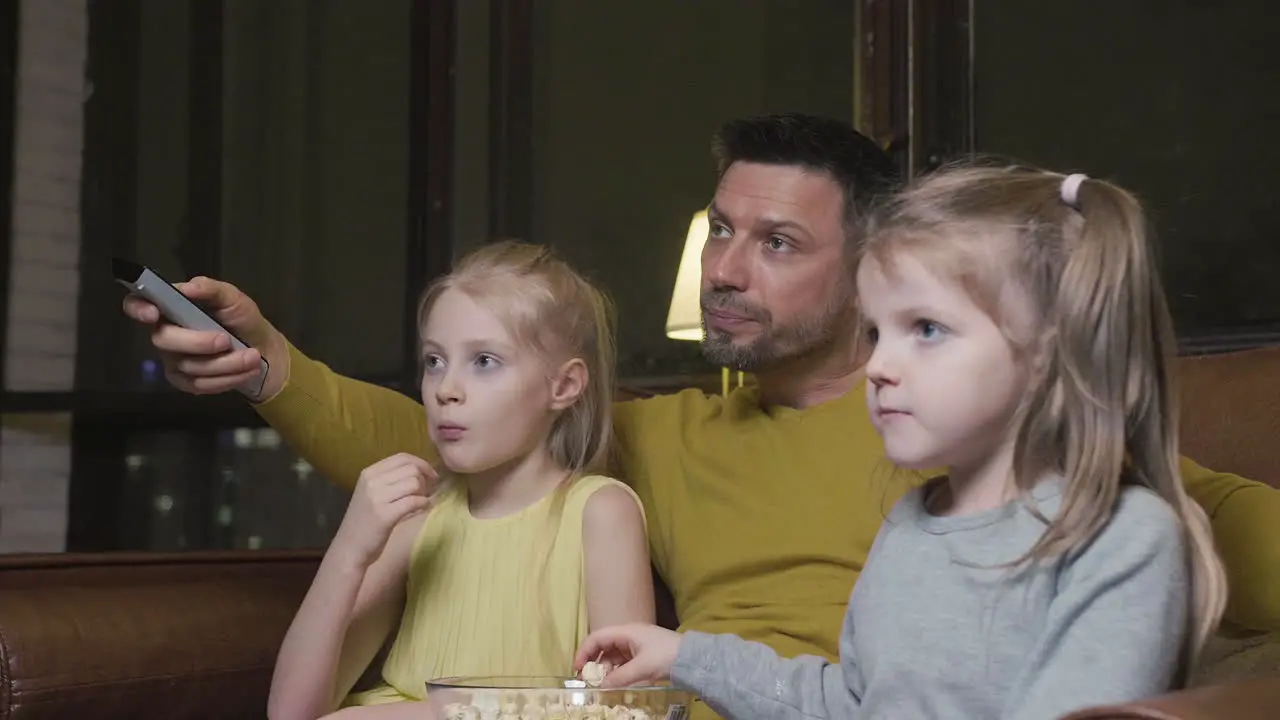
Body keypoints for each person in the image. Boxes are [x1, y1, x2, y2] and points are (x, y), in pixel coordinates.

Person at [124, 115, 1280, 718]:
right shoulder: (663, 439)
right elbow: (451, 443)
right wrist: (272, 367)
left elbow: (1177, 532)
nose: (724, 267)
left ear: (869, 264)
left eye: (774, 243)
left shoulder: (1028, 458)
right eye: (718, 229)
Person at [571, 164, 1228, 720]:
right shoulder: (915, 522)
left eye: (928, 330)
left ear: (1052, 353)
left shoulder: (1121, 537)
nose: (881, 366)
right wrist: (685, 657)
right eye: (877, 333)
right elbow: (852, 702)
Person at [266, 242, 654, 720]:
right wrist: (349, 552)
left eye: (484, 361)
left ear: (565, 386)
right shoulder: (418, 520)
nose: (446, 389)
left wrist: (434, 714)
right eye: (435, 361)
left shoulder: (601, 512)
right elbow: (291, 712)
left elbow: (628, 710)